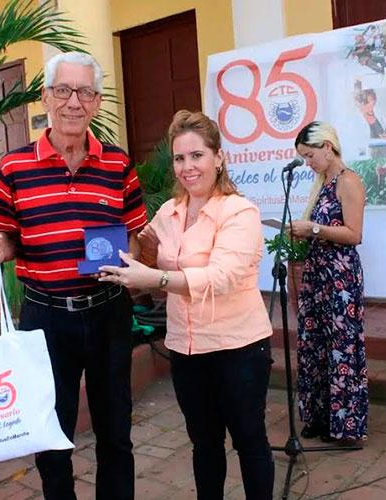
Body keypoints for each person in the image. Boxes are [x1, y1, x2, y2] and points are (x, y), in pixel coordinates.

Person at [0, 52, 147, 500]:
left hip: (108, 312)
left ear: (97, 102)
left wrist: (132, 258)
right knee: (51, 437)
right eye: (63, 90)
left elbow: (136, 236)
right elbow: (9, 236)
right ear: (46, 97)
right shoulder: (14, 168)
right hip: (46, 318)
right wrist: (3, 247)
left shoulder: (119, 164)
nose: (74, 102)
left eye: (86, 92)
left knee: (116, 433)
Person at [98, 110, 275, 499]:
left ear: (218, 157)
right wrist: (118, 251)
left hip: (237, 347)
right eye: (180, 158)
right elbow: (147, 254)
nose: (187, 166)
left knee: (249, 440)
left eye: (197, 155)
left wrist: (155, 279)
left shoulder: (239, 212)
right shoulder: (169, 212)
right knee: (204, 443)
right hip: (186, 348)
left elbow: (220, 277)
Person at [288, 121, 368, 445]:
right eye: (304, 158)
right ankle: (319, 416)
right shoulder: (323, 183)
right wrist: (304, 232)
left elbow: (354, 234)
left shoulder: (349, 181)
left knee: (340, 346)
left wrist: (313, 229)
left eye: (310, 155)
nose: (308, 163)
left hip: (340, 278)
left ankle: (344, 424)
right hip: (318, 274)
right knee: (315, 345)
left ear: (327, 147)